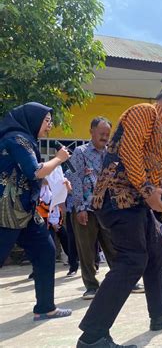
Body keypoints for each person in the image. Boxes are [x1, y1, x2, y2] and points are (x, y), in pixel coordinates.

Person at [77, 86, 162, 348]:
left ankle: (160, 313)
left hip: (136, 201)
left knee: (157, 252)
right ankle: (92, 337)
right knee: (133, 260)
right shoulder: (145, 112)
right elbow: (129, 152)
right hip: (116, 198)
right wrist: (148, 190)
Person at [0, 102, 72, 321]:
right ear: (33, 119)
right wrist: (59, 159)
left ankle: (45, 307)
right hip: (8, 210)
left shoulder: (25, 140)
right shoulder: (17, 139)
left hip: (27, 210)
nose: (49, 126)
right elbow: (34, 171)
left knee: (45, 251)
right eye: (47, 121)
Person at [67, 117, 143, 300]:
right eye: (101, 134)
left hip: (109, 208)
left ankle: (125, 280)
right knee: (86, 249)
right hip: (87, 208)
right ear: (91, 131)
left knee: (114, 246)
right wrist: (80, 208)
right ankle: (91, 285)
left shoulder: (113, 153)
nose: (104, 137)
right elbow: (75, 179)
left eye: (107, 134)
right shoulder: (80, 152)